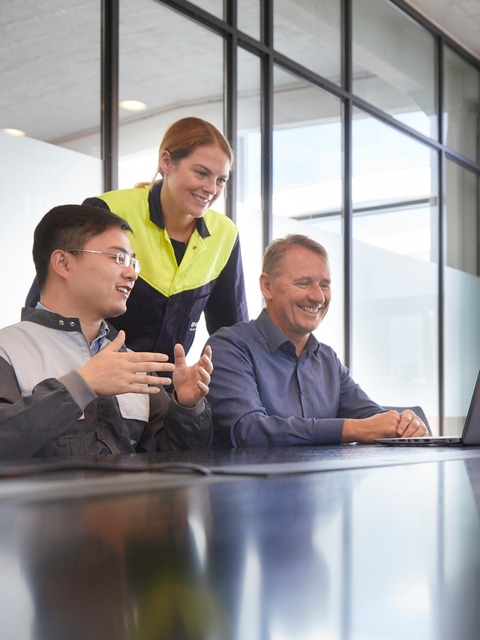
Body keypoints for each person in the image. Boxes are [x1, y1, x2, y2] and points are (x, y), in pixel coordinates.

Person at [27, 117, 248, 363]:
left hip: (168, 393)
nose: (211, 188)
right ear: (166, 161)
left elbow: (232, 331)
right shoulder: (112, 209)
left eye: (221, 180)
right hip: (93, 376)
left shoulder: (225, 234)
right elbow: (48, 298)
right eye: (201, 173)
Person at [0, 204, 213, 459]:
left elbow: (178, 459)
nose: (132, 273)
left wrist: (186, 407)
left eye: (133, 262)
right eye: (118, 258)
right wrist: (81, 385)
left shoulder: (134, 363)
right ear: (63, 263)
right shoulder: (7, 350)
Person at [205, 234, 429, 448]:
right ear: (267, 286)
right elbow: (250, 431)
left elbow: (372, 417)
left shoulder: (327, 359)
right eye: (303, 283)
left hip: (323, 485)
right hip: (250, 487)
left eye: (324, 285)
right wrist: (353, 429)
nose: (318, 297)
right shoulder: (229, 347)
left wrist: (404, 423)